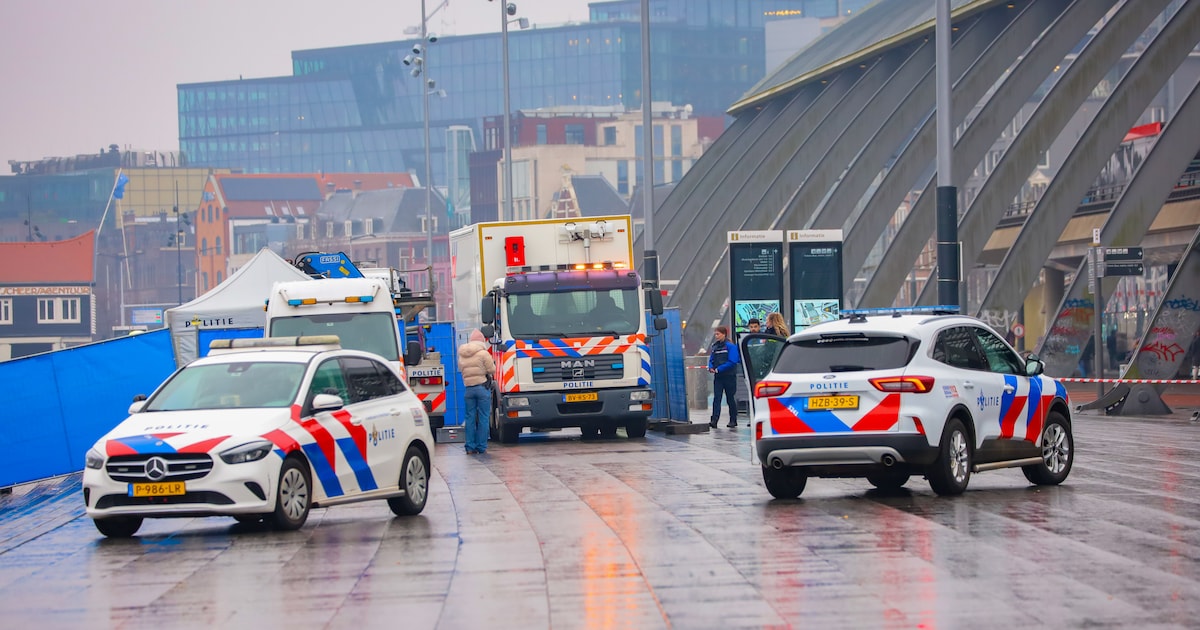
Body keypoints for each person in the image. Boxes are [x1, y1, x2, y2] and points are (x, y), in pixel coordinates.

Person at [458, 329, 497, 454]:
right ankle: (481, 446)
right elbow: (492, 370)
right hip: (482, 388)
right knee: (484, 418)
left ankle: (470, 447)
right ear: (481, 341)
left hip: (468, 389)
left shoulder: (462, 355)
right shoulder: (483, 354)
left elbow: (461, 369)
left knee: (469, 418)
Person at [708, 325, 740, 429]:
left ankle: (733, 419)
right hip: (719, 376)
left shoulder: (730, 346)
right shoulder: (715, 346)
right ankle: (714, 420)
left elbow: (733, 361)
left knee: (730, 398)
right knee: (717, 398)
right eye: (715, 334)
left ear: (724, 334)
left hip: (729, 376)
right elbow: (711, 359)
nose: (716, 336)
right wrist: (711, 367)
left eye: (718, 334)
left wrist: (719, 369)